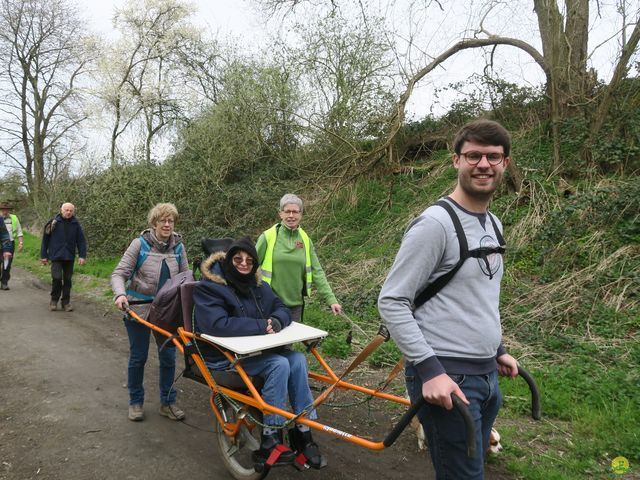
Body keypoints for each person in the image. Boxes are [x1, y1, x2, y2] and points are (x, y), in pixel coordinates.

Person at [378, 119, 519, 480]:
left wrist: (497, 347)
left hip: (486, 375)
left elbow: (477, 295)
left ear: (505, 163)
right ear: (456, 161)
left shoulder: (494, 224)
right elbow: (393, 301)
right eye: (473, 155)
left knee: (471, 470)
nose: (483, 164)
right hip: (446, 379)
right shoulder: (435, 225)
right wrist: (430, 371)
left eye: (493, 156)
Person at [193, 236, 326, 470]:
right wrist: (260, 326)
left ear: (255, 264)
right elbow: (216, 325)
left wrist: (275, 320)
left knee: (296, 359)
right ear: (228, 261)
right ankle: (270, 437)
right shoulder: (209, 288)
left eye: (249, 260)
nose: (244, 264)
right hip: (225, 359)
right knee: (278, 364)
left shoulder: (259, 286)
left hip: (253, 354)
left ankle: (302, 432)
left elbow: (282, 307)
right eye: (238, 259)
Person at [111, 203, 188, 422]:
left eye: (170, 221)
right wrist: (120, 295)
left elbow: (185, 279)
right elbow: (119, 274)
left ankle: (168, 402)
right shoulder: (140, 244)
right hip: (138, 308)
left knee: (169, 357)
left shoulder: (179, 247)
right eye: (162, 220)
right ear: (154, 223)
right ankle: (135, 401)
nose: (167, 224)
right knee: (139, 357)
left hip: (167, 312)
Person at [256, 193, 342, 323]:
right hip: (270, 304)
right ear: (281, 214)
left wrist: (331, 300)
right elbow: (249, 266)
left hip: (295, 306)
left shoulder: (305, 239)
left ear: (301, 214)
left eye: (295, 212)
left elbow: (317, 271)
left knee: (289, 343)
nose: (291, 215)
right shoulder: (267, 237)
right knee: (272, 342)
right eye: (287, 211)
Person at [40, 202, 87, 311]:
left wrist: (82, 256)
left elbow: (81, 241)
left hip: (69, 256)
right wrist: (44, 255)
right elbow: (45, 240)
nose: (68, 212)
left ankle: (66, 302)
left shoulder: (76, 224)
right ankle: (54, 300)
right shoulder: (53, 223)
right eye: (66, 210)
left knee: (67, 280)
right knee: (56, 278)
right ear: (61, 210)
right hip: (56, 256)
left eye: (71, 210)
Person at [0, 202, 24, 290]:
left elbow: (19, 231)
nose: (4, 211)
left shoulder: (14, 218)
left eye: (6, 209)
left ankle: (4, 283)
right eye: (2, 209)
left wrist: (21, 243)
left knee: (7, 264)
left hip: (9, 244)